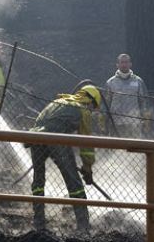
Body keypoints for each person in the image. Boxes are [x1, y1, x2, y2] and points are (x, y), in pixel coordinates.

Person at [29, 84, 104, 233]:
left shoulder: (57, 102)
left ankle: (39, 223)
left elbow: (41, 122)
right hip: (57, 140)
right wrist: (87, 167)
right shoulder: (83, 109)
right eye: (93, 106)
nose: (91, 110)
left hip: (35, 137)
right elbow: (86, 142)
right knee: (74, 182)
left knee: (38, 181)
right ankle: (83, 227)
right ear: (91, 101)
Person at [105, 53, 153, 138]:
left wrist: (146, 120)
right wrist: (105, 120)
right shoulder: (110, 82)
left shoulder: (138, 81)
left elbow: (144, 102)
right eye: (122, 62)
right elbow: (106, 103)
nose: (124, 65)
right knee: (117, 147)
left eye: (126, 62)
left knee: (134, 147)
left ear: (130, 64)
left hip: (134, 122)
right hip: (116, 122)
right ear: (117, 65)